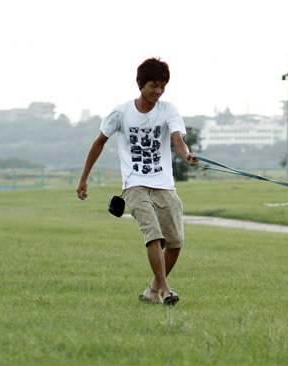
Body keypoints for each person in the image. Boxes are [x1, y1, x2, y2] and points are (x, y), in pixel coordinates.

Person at [76, 57, 198, 305]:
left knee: (174, 243)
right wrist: (84, 178)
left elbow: (177, 140)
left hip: (164, 184)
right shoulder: (121, 112)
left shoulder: (169, 110)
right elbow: (99, 142)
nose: (159, 91)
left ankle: (151, 291)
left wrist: (186, 154)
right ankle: (166, 290)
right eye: (154, 85)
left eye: (163, 85)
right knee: (153, 235)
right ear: (140, 84)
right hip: (135, 184)